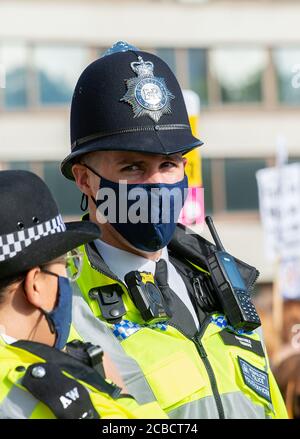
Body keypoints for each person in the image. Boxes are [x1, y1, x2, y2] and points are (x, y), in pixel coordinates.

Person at [60, 41, 288, 419]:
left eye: (168, 165)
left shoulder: (225, 286)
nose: (156, 185)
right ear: (85, 180)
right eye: (132, 167)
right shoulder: (61, 306)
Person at [0, 170, 166, 419]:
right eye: (66, 266)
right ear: (36, 285)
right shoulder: (41, 392)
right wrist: (116, 393)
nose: (69, 279)